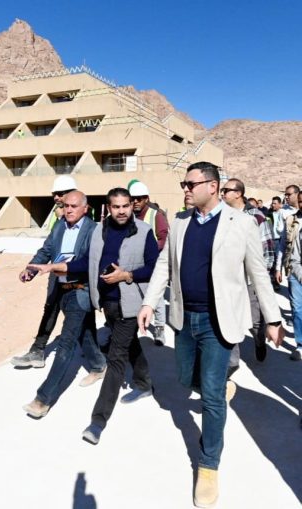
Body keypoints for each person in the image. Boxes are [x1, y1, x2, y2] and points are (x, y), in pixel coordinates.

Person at [138, 162, 284, 508]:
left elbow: (258, 274)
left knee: (212, 398)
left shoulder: (242, 223)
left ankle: (208, 465)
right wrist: (149, 302)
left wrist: (273, 318)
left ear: (213, 186)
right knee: (185, 378)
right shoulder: (179, 222)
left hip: (219, 321)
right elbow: (164, 266)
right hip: (183, 318)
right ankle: (219, 387)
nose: (185, 189)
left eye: (190, 184)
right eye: (183, 184)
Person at [29, 187, 158, 443]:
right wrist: (55, 267)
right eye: (116, 207)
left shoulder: (144, 231)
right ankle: (144, 384)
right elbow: (87, 262)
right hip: (107, 302)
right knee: (129, 343)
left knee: (116, 358)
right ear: (108, 208)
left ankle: (98, 421)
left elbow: (155, 267)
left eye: (125, 206)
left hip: (130, 303)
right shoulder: (100, 231)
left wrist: (127, 275)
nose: (121, 211)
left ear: (131, 205)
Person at [20, 191, 108, 418]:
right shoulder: (59, 226)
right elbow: (46, 250)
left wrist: (55, 267)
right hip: (61, 290)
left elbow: (88, 262)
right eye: (66, 206)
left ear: (85, 208)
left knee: (66, 344)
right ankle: (99, 365)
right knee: (84, 333)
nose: (68, 210)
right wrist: (31, 268)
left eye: (74, 206)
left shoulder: (94, 230)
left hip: (80, 291)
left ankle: (42, 400)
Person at [11, 177, 78, 369]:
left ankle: (97, 360)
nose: (56, 197)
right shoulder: (59, 221)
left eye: (60, 194)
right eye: (54, 194)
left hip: (77, 277)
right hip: (56, 276)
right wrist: (31, 269)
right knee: (50, 310)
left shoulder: (86, 222)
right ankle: (37, 350)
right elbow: (47, 249)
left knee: (81, 318)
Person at [221, 178, 275, 362]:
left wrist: (260, 278)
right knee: (230, 319)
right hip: (229, 278)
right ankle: (231, 362)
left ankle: (259, 341)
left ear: (238, 193)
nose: (222, 193)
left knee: (255, 321)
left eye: (226, 190)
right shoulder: (222, 215)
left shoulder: (256, 216)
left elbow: (267, 249)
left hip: (250, 279)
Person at [128, 180, 169, 345]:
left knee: (156, 296)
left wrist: (148, 249)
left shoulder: (156, 214)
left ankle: (159, 328)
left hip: (153, 263)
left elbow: (164, 238)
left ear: (146, 199)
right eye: (133, 198)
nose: (136, 202)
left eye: (139, 198)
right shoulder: (128, 214)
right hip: (133, 263)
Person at [275, 185, 300, 333]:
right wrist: (278, 267)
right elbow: (282, 244)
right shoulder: (289, 217)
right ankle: (300, 342)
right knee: (296, 306)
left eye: (289, 194)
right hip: (293, 267)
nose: (286, 197)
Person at [288, 191, 302, 361]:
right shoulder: (292, 220)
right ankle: (300, 344)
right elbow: (287, 245)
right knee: (297, 309)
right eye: (300, 201)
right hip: (296, 269)